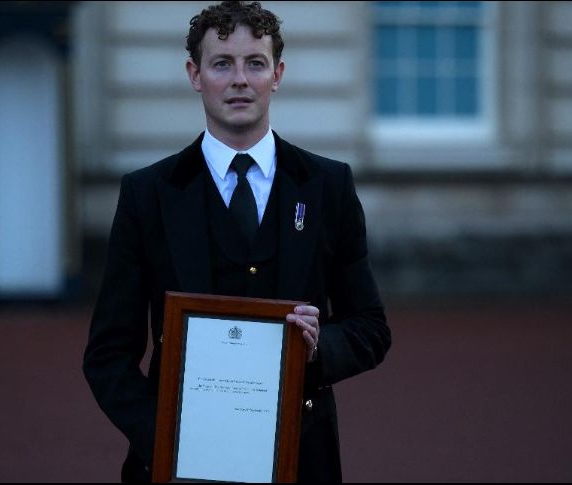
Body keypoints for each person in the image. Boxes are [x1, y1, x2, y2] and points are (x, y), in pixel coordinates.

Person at [83, 1, 391, 482]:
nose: (240, 80)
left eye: (255, 64)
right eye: (222, 64)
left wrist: (318, 347)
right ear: (195, 74)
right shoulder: (147, 195)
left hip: (302, 458)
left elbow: (371, 328)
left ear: (277, 74)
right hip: (179, 464)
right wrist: (166, 439)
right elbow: (107, 354)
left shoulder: (329, 187)